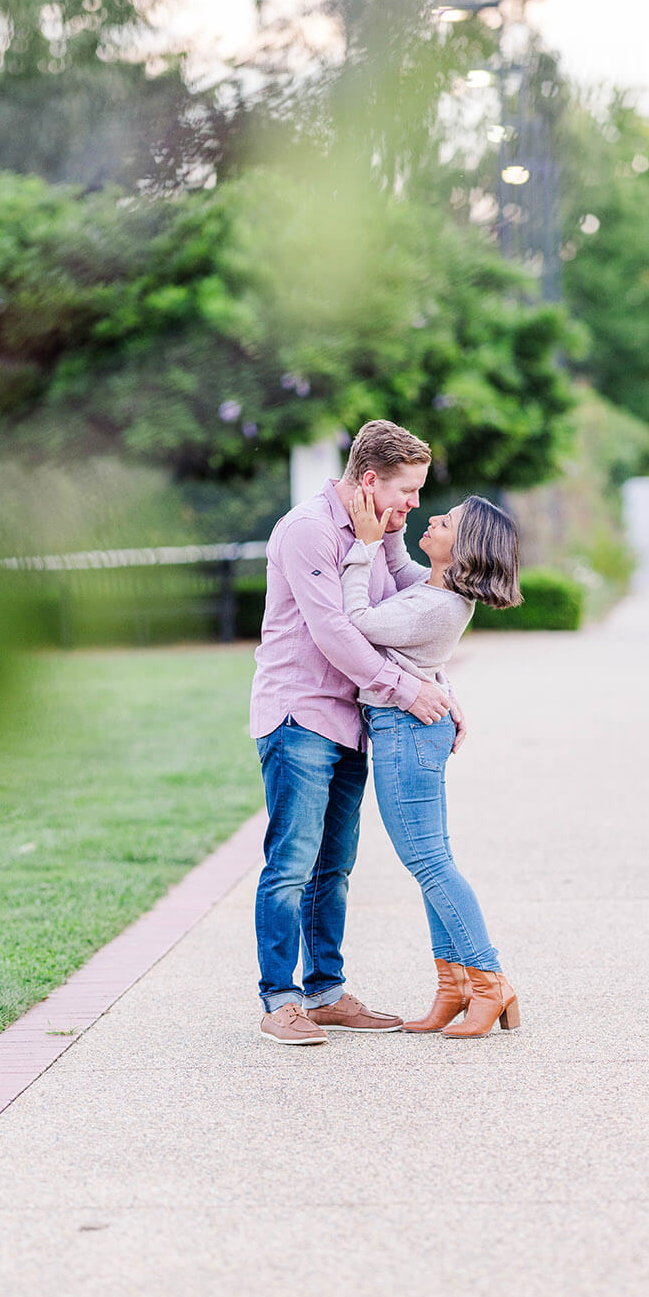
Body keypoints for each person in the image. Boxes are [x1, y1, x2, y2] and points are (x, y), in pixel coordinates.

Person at [250, 419, 463, 1046]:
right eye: (408, 491)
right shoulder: (308, 531)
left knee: (334, 866)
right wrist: (409, 691)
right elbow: (334, 632)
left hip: (351, 719)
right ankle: (279, 1001)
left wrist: (443, 685)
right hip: (300, 715)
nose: (415, 506)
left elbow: (406, 603)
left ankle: (325, 993)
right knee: (291, 860)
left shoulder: (379, 532)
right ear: (369, 480)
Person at [340, 486, 522, 1038]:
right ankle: (454, 988)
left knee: (428, 862)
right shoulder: (430, 588)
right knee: (429, 860)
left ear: (463, 549)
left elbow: (355, 620)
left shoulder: (435, 606)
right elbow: (401, 568)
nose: (434, 518)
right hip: (411, 729)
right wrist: (391, 528)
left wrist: (362, 547)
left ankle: (490, 981)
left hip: (405, 730)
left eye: (447, 522)